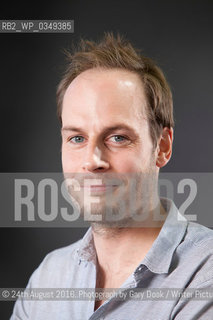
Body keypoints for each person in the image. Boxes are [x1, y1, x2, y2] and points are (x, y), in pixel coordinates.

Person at [11, 33, 213, 320]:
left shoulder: (204, 274)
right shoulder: (48, 277)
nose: (93, 161)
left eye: (118, 137)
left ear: (162, 147)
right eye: (77, 138)